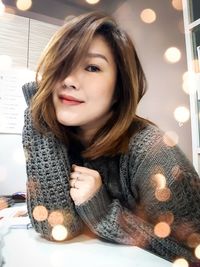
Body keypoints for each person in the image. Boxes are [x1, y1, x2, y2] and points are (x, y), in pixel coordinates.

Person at [22, 12, 200, 265]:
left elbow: (192, 256)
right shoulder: (61, 138)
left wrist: (103, 211)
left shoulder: (153, 152)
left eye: (92, 67)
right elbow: (54, 225)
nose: (69, 80)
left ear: (119, 89)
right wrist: (36, 110)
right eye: (62, 65)